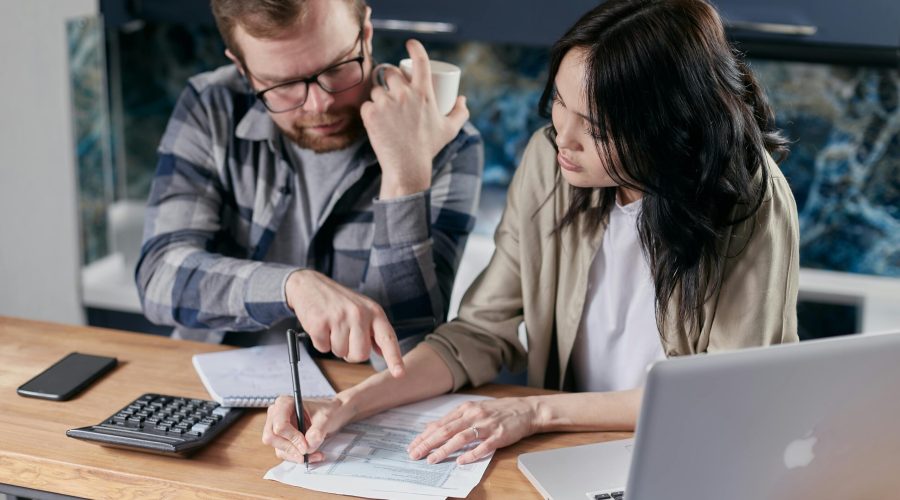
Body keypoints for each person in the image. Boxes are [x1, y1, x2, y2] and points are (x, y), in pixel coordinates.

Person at [262, 0, 800, 466]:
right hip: (568, 451)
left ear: (667, 127)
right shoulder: (550, 163)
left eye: (596, 127)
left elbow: (726, 395)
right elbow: (478, 333)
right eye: (561, 102)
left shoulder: (750, 200)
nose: (562, 137)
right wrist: (348, 404)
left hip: (687, 455)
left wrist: (535, 410)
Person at [135, 0, 484, 375]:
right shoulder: (212, 106)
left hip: (358, 402)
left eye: (336, 68)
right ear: (243, 69)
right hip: (211, 386)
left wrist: (405, 178)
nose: (320, 104)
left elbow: (407, 355)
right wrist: (291, 288)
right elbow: (158, 277)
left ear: (365, 34)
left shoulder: (446, 142)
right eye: (282, 84)